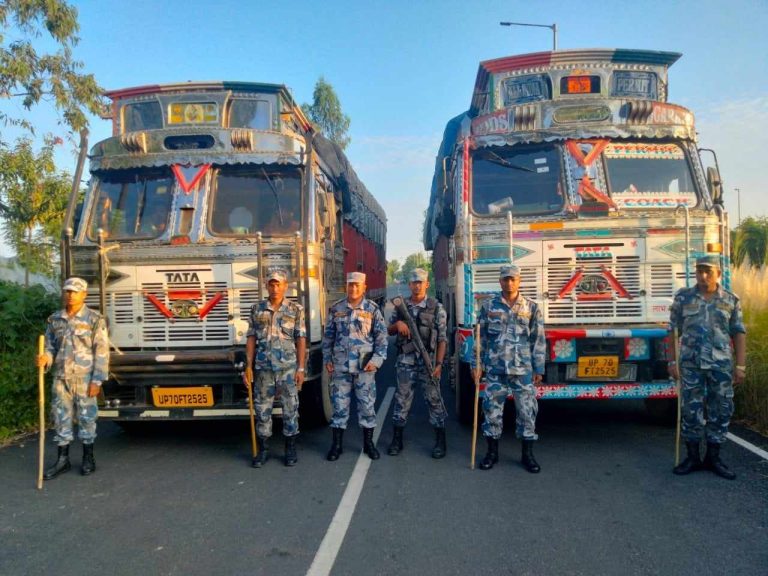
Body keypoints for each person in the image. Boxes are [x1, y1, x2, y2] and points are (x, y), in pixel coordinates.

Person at [668, 255, 747, 480]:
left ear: (718, 274)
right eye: (699, 271)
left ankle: (714, 457)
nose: (703, 276)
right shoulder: (683, 298)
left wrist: (740, 366)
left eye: (708, 271)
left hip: (720, 365)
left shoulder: (730, 299)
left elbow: (739, 333)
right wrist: (672, 362)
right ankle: (692, 457)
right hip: (691, 365)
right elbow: (673, 331)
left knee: (721, 409)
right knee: (691, 410)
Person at [35, 277, 109, 479]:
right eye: (67, 291)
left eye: (75, 291)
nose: (70, 295)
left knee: (87, 418)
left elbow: (102, 351)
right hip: (61, 377)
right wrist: (45, 358)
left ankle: (88, 457)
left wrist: (97, 380)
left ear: (84, 294)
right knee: (61, 417)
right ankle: (62, 460)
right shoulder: (55, 320)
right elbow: (50, 347)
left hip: (85, 378)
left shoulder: (94, 319)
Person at [474, 264, 545, 473]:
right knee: (492, 412)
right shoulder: (488, 307)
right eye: (505, 279)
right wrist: (476, 364)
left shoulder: (531, 307)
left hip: (522, 370)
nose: (509, 282)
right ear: (500, 281)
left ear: (519, 281)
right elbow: (480, 338)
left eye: (513, 279)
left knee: (527, 412)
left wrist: (538, 368)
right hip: (495, 369)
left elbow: (538, 339)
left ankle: (527, 455)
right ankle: (491, 453)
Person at [322, 271, 388, 461]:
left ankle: (368, 444)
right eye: (350, 285)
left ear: (364, 287)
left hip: (364, 367)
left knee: (367, 406)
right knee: (339, 407)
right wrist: (327, 359)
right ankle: (337, 445)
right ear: (346, 286)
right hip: (341, 367)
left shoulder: (372, 309)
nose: (353, 288)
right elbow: (329, 338)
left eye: (357, 285)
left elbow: (381, 340)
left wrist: (376, 361)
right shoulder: (336, 309)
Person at [244, 268, 306, 467]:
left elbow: (301, 339)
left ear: (286, 286)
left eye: (278, 283)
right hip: (263, 367)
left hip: (288, 367)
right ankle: (263, 450)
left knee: (290, 407)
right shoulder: (257, 309)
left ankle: (290, 448)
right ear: (266, 286)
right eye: (271, 283)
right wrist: (248, 365)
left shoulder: (296, 310)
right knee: (262, 408)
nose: (275, 287)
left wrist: (301, 368)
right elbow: (251, 338)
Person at [386, 268, 448, 458]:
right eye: (414, 282)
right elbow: (388, 330)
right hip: (406, 361)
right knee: (402, 399)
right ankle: (397, 439)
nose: (417, 285)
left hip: (428, 360)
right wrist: (398, 325)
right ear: (409, 284)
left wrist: (438, 364)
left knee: (434, 399)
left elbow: (442, 339)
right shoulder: (400, 306)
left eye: (420, 282)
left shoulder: (436, 308)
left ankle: (440, 441)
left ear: (427, 284)